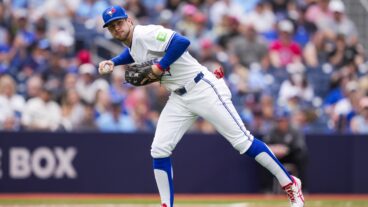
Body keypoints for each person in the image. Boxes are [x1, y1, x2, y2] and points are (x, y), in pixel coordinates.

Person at [98, 5, 305, 207]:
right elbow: (134, 53)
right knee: (159, 150)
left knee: (243, 142)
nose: (117, 28)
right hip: (179, 97)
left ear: (129, 21)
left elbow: (181, 41)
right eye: (111, 26)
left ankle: (290, 183)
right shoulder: (134, 42)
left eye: (119, 22)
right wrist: (114, 62)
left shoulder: (146, 33)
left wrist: (160, 66)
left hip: (202, 87)